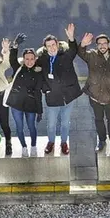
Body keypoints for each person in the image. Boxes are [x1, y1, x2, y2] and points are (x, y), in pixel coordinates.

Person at [35, 24, 82, 155]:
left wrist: (71, 38)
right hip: (52, 97)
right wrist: (45, 90)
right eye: (48, 46)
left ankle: (63, 142)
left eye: (53, 44)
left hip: (68, 97)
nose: (51, 47)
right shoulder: (43, 60)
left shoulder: (65, 55)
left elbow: (73, 50)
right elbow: (35, 71)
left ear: (57, 44)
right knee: (51, 124)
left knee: (65, 123)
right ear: (45, 47)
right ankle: (51, 142)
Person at [6, 42, 47, 157]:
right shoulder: (18, 68)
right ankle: (24, 147)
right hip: (16, 103)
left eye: (31, 59)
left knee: (31, 126)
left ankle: (33, 146)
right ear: (23, 59)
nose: (29, 61)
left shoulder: (38, 72)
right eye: (27, 59)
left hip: (31, 104)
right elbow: (12, 59)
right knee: (19, 127)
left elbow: (38, 93)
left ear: (35, 59)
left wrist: (40, 111)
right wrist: (14, 47)